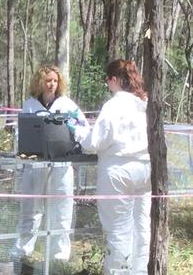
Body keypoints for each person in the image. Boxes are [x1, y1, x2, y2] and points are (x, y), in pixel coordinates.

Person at [74, 59, 150, 274]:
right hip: (145, 169)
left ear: (114, 79)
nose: (108, 84)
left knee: (118, 229)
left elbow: (95, 143)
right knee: (142, 227)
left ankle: (118, 271)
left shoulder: (114, 105)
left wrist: (80, 134)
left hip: (119, 171)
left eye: (108, 80)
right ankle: (140, 271)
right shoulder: (144, 102)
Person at [11, 65, 88, 261]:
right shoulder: (29, 104)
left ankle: (59, 257)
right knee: (30, 210)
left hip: (61, 166)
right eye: (47, 80)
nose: (51, 84)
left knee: (61, 211)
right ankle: (21, 253)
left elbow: (83, 127)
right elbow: (20, 132)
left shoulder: (67, 104)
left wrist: (73, 131)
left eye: (54, 80)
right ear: (40, 82)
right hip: (35, 166)